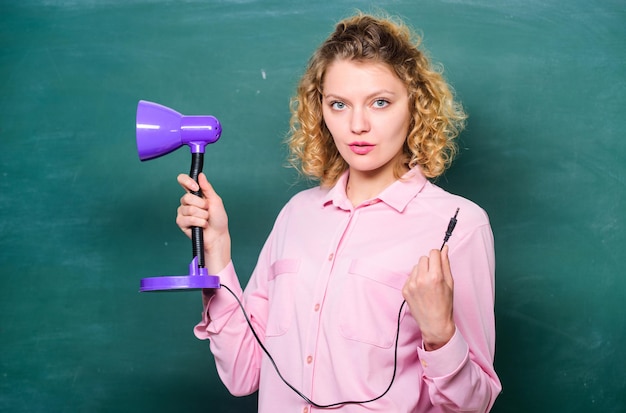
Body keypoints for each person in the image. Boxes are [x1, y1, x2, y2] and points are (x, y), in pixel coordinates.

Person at [176, 13, 501, 413]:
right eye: (339, 104)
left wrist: (440, 334)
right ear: (321, 111)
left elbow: (473, 406)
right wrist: (218, 251)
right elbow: (244, 373)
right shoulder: (297, 215)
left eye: (380, 102)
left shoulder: (459, 226)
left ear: (415, 105)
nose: (358, 125)